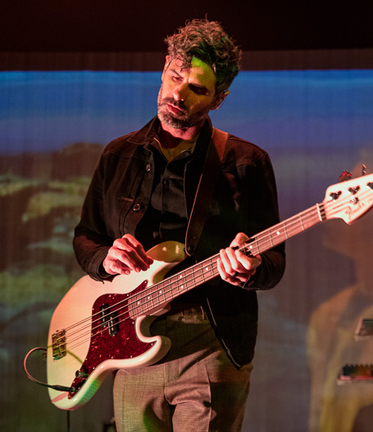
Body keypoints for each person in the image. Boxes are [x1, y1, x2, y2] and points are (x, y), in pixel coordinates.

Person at [72, 19, 286, 431]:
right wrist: (106, 257)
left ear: (218, 99)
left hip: (210, 342)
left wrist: (251, 269)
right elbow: (86, 237)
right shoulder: (118, 154)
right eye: (175, 77)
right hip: (130, 345)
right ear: (165, 65)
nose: (178, 94)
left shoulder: (246, 162)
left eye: (197, 89)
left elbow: (275, 262)